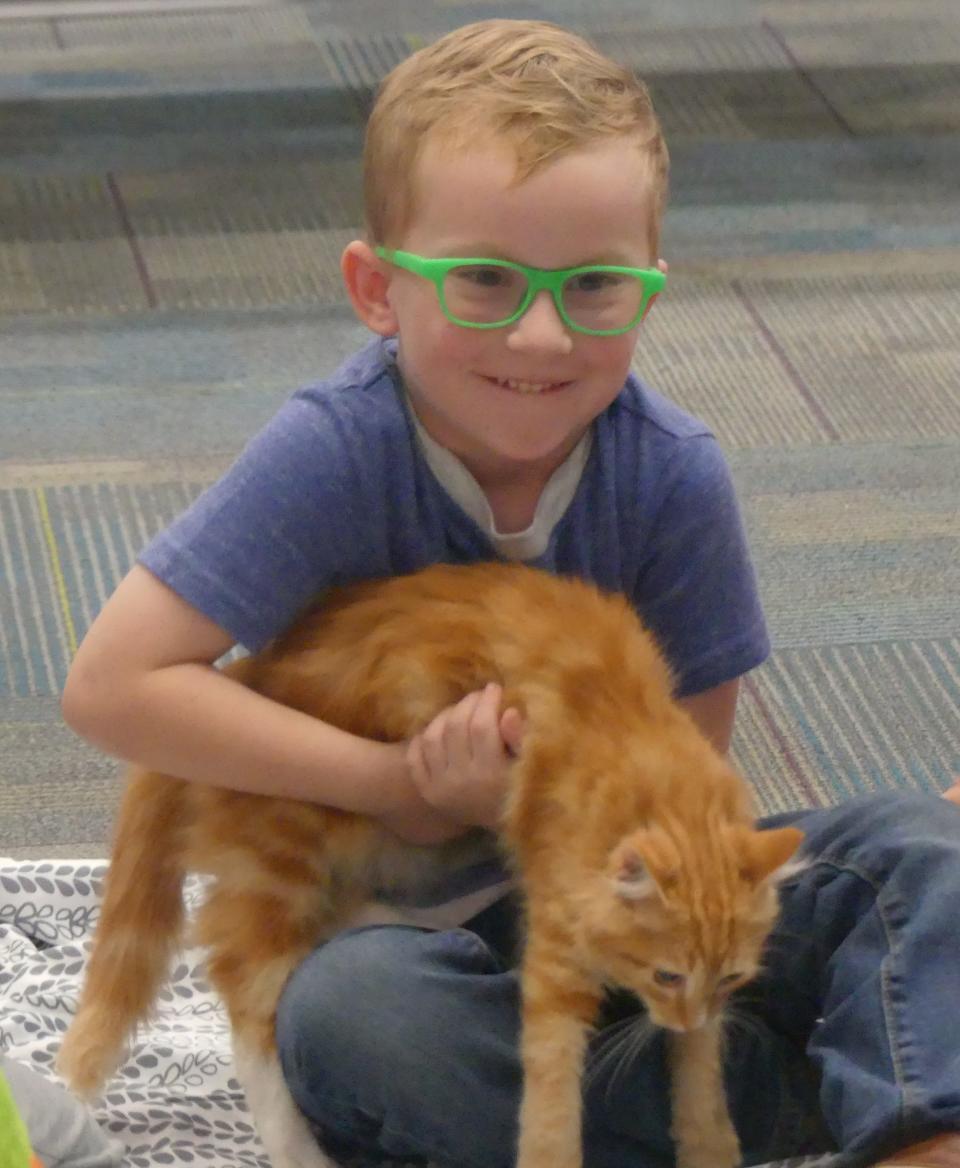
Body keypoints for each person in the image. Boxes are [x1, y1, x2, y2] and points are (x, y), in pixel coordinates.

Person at [61, 19, 960, 1168]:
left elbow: (694, 770)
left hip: (624, 934)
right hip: (417, 933)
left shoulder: (671, 470)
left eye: (594, 285)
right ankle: (831, 1085)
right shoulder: (335, 449)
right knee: (355, 1021)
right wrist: (403, 785)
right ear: (378, 291)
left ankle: (916, 1130)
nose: (540, 332)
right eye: (484, 278)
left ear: (648, 292)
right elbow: (112, 687)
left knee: (915, 844)